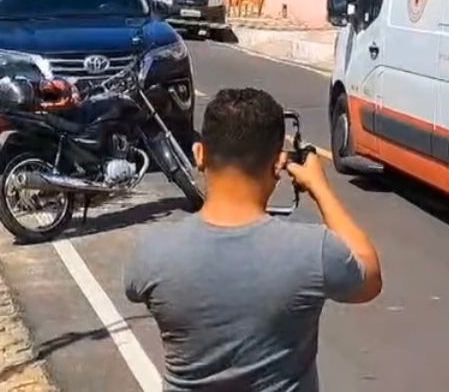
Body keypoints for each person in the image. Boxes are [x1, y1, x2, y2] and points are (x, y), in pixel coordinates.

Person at [124, 88, 382, 391]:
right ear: (279, 164)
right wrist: (320, 188)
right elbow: (370, 278)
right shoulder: (314, 252)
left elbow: (134, 289)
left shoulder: (152, 255)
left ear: (200, 155)